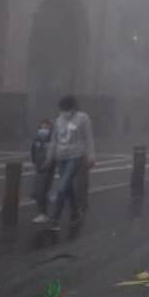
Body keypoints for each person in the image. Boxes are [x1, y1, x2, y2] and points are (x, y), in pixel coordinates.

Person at [44, 95, 95, 231]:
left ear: (73, 108)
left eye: (66, 109)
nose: (64, 112)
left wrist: (91, 156)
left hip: (75, 156)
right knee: (67, 188)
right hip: (61, 157)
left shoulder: (83, 118)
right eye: (62, 109)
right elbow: (54, 140)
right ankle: (75, 212)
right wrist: (49, 158)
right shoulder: (58, 121)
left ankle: (55, 219)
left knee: (62, 186)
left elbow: (89, 137)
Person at [29, 119, 55, 223]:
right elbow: (33, 152)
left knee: (40, 192)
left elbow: (54, 155)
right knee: (36, 193)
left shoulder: (52, 140)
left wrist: (49, 165)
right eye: (42, 127)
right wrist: (34, 162)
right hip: (38, 168)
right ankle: (45, 208)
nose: (44, 129)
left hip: (47, 168)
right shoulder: (36, 139)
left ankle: (43, 214)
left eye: (46, 127)